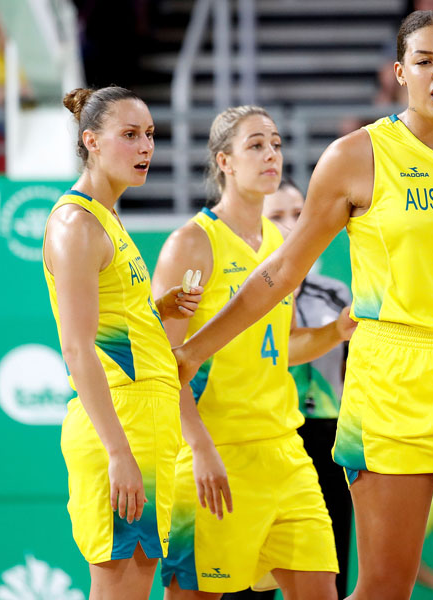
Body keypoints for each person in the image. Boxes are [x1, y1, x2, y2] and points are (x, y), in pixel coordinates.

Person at [175, 10, 433, 600]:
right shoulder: (355, 156)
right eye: (424, 61)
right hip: (393, 376)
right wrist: (196, 348)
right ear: (400, 73)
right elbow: (282, 271)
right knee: (384, 587)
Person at [153, 106, 350, 599]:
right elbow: (166, 361)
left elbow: (279, 347)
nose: (271, 155)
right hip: (215, 454)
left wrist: (336, 331)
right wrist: (199, 448)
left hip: (285, 453)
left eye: (276, 144)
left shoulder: (282, 244)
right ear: (224, 161)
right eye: (256, 145)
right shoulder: (192, 243)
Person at [43, 86, 201, 600]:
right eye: (130, 135)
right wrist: (118, 452)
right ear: (91, 141)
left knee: (135, 583)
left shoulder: (106, 218)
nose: (146, 147)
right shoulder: (77, 224)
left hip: (145, 420)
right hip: (123, 421)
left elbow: (113, 326)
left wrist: (160, 310)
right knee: (119, 586)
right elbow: (77, 347)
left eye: (150, 134)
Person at [262, 178, 354, 599]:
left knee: (328, 568)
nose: (290, 225)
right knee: (250, 572)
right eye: (276, 215)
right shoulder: (240, 295)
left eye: (298, 214)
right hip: (263, 434)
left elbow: (355, 369)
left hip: (328, 437)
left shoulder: (335, 294)